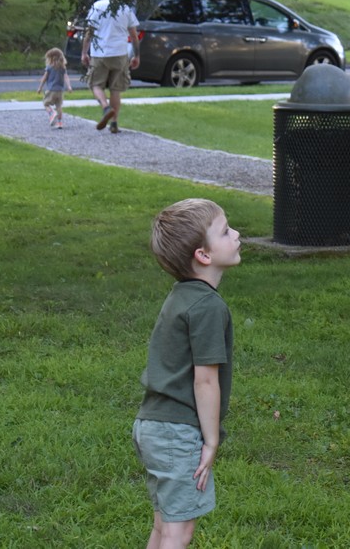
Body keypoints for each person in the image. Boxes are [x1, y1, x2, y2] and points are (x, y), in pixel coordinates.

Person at [133, 198, 241, 548]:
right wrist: (211, 441)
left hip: (152, 425)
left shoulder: (181, 296)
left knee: (165, 525)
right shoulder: (207, 306)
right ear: (203, 255)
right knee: (179, 533)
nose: (236, 234)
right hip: (178, 433)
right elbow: (205, 380)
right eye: (225, 231)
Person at [81, 0, 140, 134]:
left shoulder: (97, 6)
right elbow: (134, 36)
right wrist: (137, 56)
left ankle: (105, 107)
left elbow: (89, 33)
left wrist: (84, 53)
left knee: (95, 85)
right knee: (116, 89)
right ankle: (114, 123)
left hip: (99, 54)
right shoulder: (125, 8)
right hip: (120, 53)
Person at [36, 47, 72, 129]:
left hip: (51, 90)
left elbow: (44, 78)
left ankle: (52, 113)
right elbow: (66, 77)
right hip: (60, 91)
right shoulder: (63, 68)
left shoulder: (49, 67)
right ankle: (60, 123)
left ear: (51, 58)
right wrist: (69, 86)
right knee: (58, 106)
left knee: (46, 103)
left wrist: (40, 87)